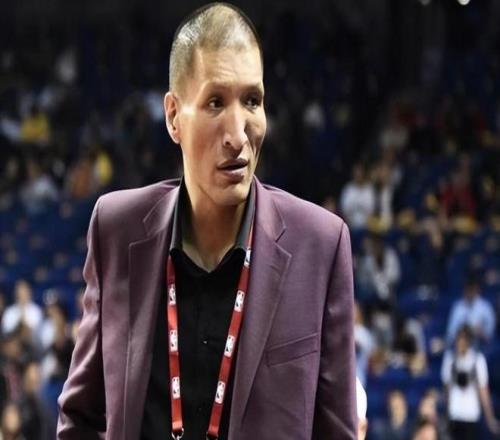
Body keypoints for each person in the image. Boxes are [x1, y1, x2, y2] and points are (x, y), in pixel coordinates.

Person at [57, 3, 356, 440]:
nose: (238, 134)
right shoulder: (116, 230)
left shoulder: (321, 245)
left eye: (252, 101)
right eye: (215, 102)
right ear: (173, 117)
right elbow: (80, 420)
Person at [441, 325, 499, 439]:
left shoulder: (478, 360)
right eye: (458, 339)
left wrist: (490, 418)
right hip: (454, 414)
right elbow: (446, 388)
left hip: (471, 414)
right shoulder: (449, 359)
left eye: (463, 340)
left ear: (469, 341)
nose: (460, 343)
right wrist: (446, 414)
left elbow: (483, 391)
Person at [446, 274, 496, 346]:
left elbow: (490, 336)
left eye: (472, 289)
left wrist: (481, 332)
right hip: (460, 345)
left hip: (480, 346)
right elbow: (450, 334)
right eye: (467, 289)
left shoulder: (486, 307)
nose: (469, 292)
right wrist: (463, 331)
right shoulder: (457, 307)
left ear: (477, 289)